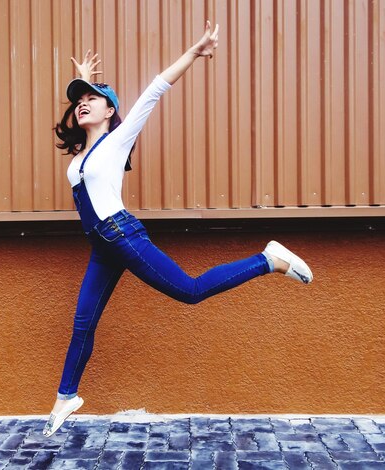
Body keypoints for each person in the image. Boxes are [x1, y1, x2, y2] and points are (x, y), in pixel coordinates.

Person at [44, 21, 313, 437]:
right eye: (78, 100)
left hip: (122, 236)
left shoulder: (117, 142)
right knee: (83, 322)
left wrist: (194, 51)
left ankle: (269, 259)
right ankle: (67, 396)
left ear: (111, 111)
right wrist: (84, 78)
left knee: (190, 291)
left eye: (92, 99)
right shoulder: (80, 155)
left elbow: (154, 90)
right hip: (101, 246)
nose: (82, 103)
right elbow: (82, 114)